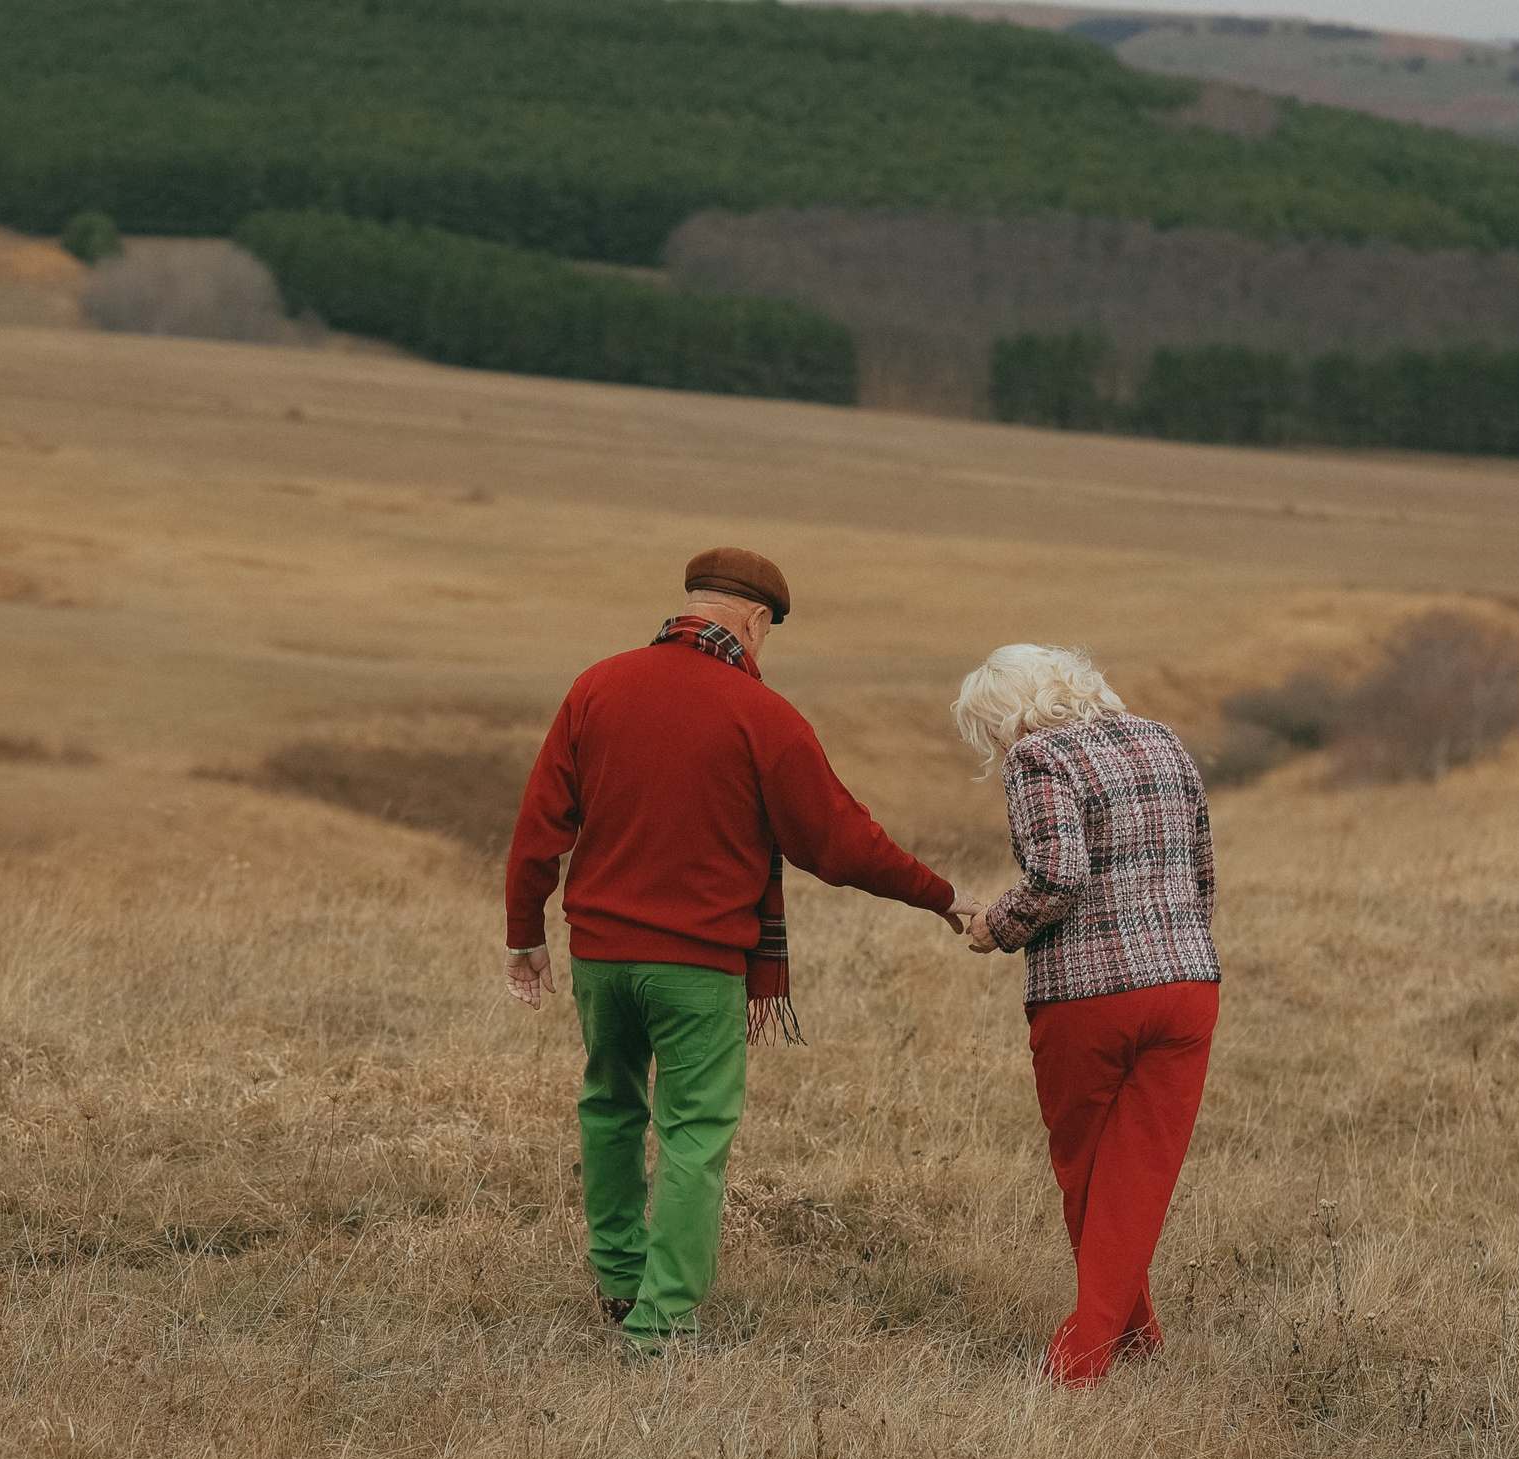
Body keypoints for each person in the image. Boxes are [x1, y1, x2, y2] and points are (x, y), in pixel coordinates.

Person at [504, 547, 976, 1352]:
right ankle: (660, 1324)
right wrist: (942, 895)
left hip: (600, 959)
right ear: (756, 620)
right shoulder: (763, 714)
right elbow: (840, 842)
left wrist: (525, 934)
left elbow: (540, 823)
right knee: (693, 1135)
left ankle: (618, 1280)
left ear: (691, 603)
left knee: (610, 1108)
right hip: (699, 967)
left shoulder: (596, 685)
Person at [953, 644, 1220, 1387]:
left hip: (1087, 993)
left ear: (1007, 714)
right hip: (1189, 983)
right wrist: (1180, 947)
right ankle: (1137, 1337)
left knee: (1087, 1171)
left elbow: (1055, 877)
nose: (998, 747)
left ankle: (1079, 1361)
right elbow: (1201, 869)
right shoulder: (1162, 738)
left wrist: (994, 926)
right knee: (1137, 1171)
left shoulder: (1038, 757)